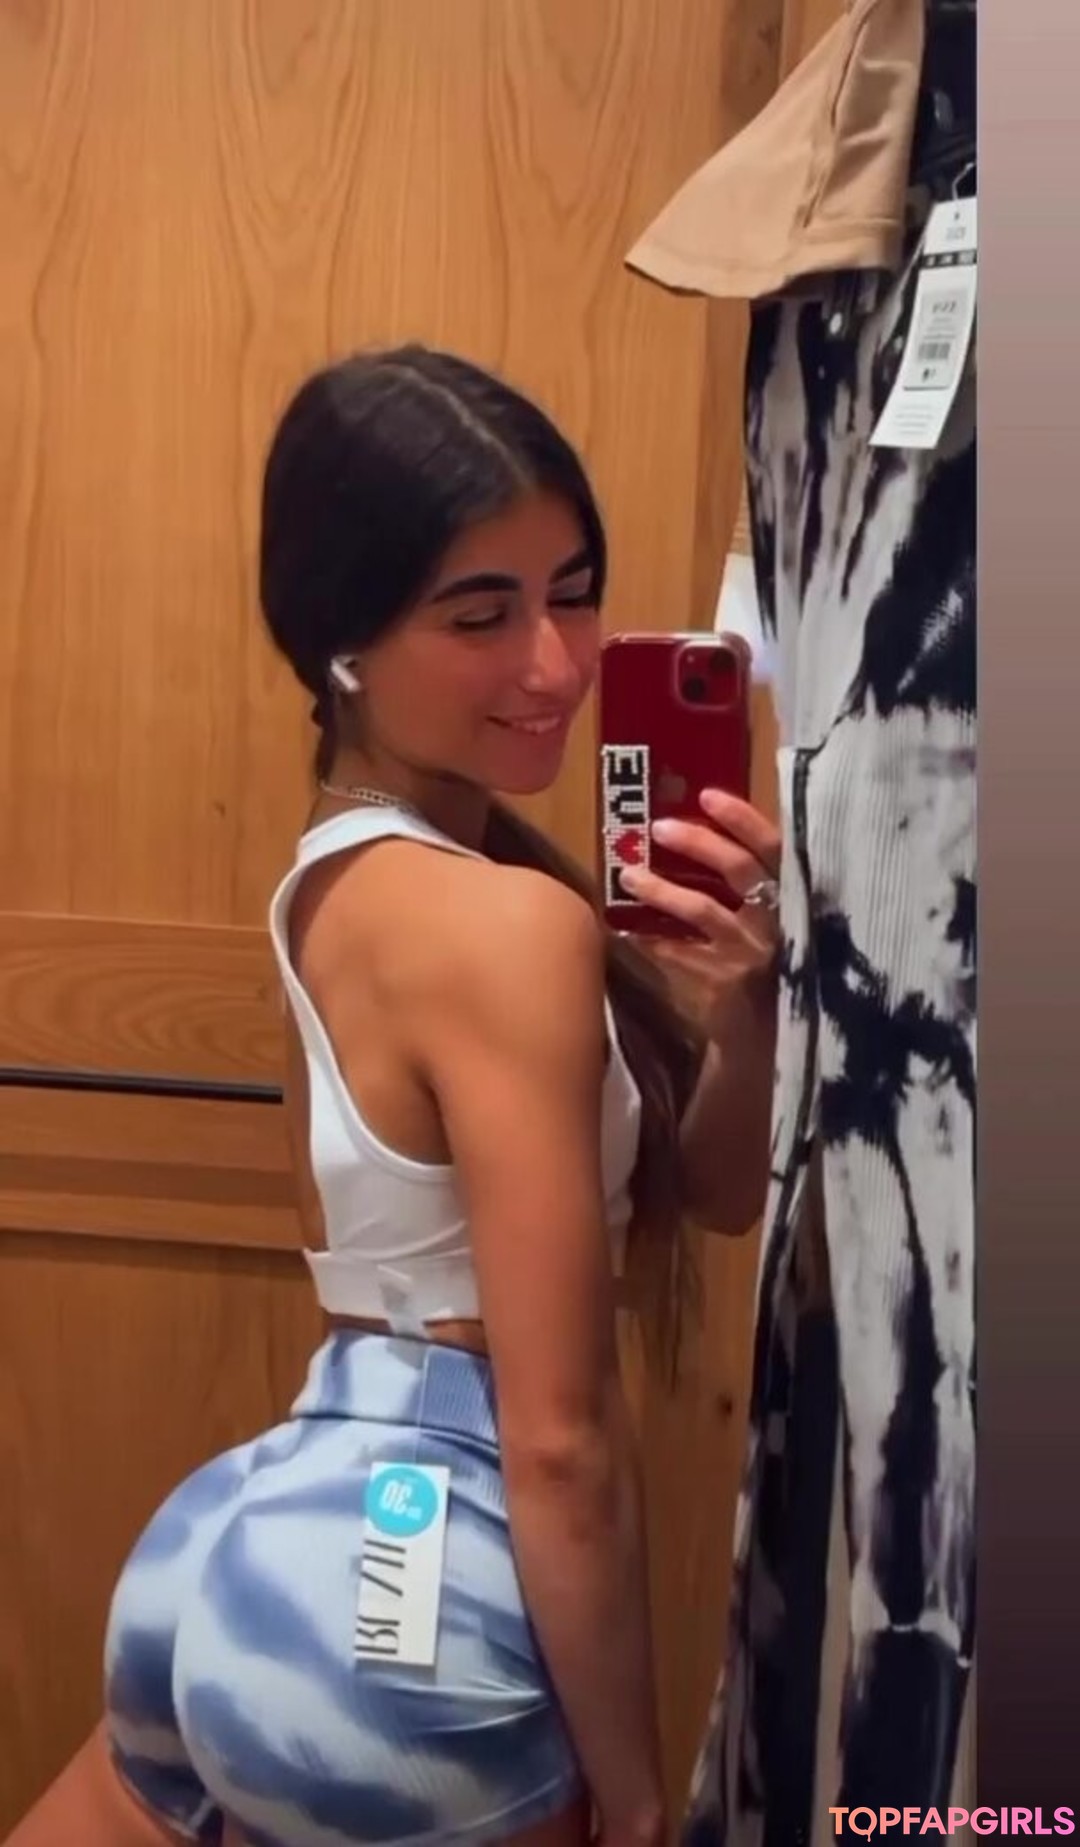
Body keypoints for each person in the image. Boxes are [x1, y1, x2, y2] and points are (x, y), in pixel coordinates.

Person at [4, 346, 781, 1847]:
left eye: (572, 593)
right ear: (341, 640)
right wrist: (635, 1801)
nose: (554, 665)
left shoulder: (339, 873)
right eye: (481, 615)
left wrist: (740, 1012)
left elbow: (716, 1195)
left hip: (256, 1542)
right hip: (432, 1596)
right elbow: (560, 1437)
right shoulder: (502, 925)